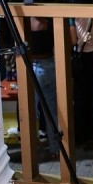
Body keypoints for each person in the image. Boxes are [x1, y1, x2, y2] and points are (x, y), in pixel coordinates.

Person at [30, 16, 60, 160]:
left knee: (30, 111)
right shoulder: (49, 19)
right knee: (51, 111)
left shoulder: (22, 20)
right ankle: (55, 149)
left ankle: (30, 150)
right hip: (48, 62)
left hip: (31, 64)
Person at [69, 17, 93, 148]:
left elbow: (73, 40)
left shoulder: (73, 16)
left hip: (81, 57)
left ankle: (81, 135)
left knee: (80, 98)